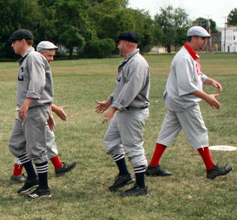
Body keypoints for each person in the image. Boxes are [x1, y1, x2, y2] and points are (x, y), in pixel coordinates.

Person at [146, 26, 233, 179]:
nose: (205, 42)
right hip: (184, 102)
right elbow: (186, 85)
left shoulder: (189, 56)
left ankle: (153, 165)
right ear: (193, 38)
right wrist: (207, 97)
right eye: (203, 39)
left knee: (167, 132)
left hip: (177, 101)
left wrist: (209, 81)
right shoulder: (184, 58)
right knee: (199, 131)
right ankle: (211, 169)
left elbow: (196, 74)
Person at [10, 41, 76, 183]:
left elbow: (40, 94)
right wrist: (53, 110)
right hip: (32, 110)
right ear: (40, 54)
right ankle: (29, 177)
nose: (51, 59)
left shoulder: (33, 61)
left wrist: (50, 111)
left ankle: (42, 173)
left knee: (32, 143)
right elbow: (36, 92)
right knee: (31, 144)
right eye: (49, 55)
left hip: (35, 109)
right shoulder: (34, 60)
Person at [95, 31, 150, 197]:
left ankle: (141, 186)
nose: (118, 46)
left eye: (119, 43)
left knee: (133, 147)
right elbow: (122, 88)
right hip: (124, 111)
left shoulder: (138, 63)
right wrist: (110, 101)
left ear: (126, 43)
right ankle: (125, 175)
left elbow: (131, 90)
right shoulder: (129, 62)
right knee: (111, 141)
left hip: (133, 112)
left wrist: (114, 108)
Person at [8, 30, 54, 199]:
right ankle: (33, 178)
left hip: (33, 109)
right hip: (26, 109)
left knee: (36, 149)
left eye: (14, 42)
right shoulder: (27, 59)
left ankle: (44, 189)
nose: (12, 45)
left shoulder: (33, 57)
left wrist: (27, 103)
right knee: (15, 144)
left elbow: (38, 82)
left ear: (23, 41)